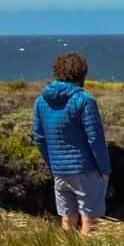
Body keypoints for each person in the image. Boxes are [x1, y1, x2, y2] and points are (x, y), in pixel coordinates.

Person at [30, 53, 110, 236]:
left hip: (60, 170)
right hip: (86, 169)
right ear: (82, 73)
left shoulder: (41, 101)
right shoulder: (84, 100)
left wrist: (53, 164)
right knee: (90, 220)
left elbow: (40, 138)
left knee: (67, 218)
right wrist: (104, 168)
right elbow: (95, 138)